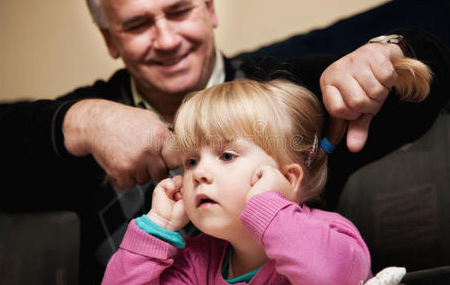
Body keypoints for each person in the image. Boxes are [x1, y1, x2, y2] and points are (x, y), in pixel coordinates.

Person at [0, 0, 450, 283]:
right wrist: (79, 121)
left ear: (210, 9)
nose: (168, 38)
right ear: (109, 39)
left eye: (179, 11)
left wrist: (389, 50)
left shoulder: (283, 90)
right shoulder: (196, 260)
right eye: (137, 24)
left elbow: (420, 83)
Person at [102, 78, 373, 284]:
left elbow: (331, 276)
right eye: (191, 161)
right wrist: (157, 228)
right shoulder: (197, 262)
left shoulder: (329, 233)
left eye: (227, 156)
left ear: (288, 179)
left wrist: (270, 207)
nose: (199, 173)